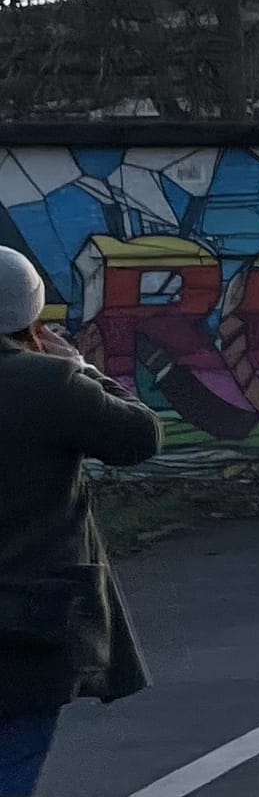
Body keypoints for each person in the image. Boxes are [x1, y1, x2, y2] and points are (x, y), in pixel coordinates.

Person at [0, 246, 160, 797]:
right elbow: (140, 436)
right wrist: (83, 368)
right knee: (13, 754)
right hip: (26, 621)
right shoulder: (49, 383)